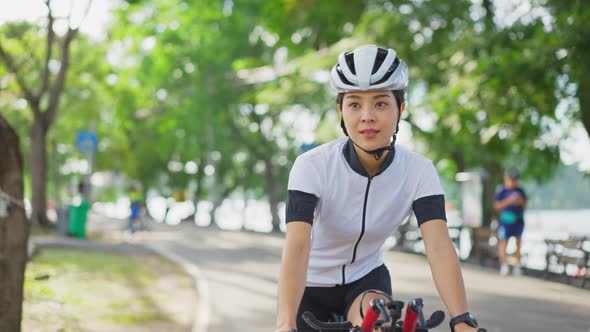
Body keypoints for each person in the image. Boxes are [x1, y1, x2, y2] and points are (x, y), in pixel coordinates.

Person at [276, 45, 485, 332]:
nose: (367, 116)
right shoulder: (311, 166)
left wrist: (462, 319)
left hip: (366, 280)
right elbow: (298, 246)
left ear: (401, 108)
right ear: (340, 109)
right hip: (308, 285)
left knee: (382, 322)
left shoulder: (419, 171)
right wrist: (284, 323)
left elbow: (437, 245)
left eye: (381, 103)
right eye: (354, 104)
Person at [493, 169, 527, 276]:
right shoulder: (501, 190)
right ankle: (504, 265)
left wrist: (519, 200)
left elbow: (525, 204)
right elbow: (497, 206)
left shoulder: (520, 191)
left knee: (518, 242)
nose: (513, 182)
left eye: (515, 180)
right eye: (511, 179)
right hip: (505, 221)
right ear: (506, 179)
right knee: (504, 242)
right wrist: (509, 201)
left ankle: (517, 265)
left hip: (518, 220)